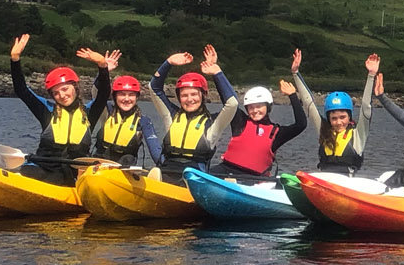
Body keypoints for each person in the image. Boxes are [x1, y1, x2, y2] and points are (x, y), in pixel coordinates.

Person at [8, 33, 109, 182]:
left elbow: (104, 93)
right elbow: (22, 90)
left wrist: (102, 65)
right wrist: (15, 59)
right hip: (44, 168)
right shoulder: (47, 110)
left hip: (74, 172)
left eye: (65, 89)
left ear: (75, 88)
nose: (62, 95)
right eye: (56, 93)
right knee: (29, 171)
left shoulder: (89, 113)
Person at [149, 45, 237, 182]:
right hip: (168, 170)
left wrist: (217, 73)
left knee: (189, 177)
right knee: (160, 173)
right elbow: (154, 88)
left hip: (195, 177)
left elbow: (232, 103)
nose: (189, 99)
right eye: (184, 95)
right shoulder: (171, 115)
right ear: (179, 98)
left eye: (194, 94)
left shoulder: (213, 122)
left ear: (203, 95)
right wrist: (168, 63)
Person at [210, 65, 311, 182]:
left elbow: (301, 124)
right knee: (200, 174)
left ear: (268, 107)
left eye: (259, 106)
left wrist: (293, 96)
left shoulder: (276, 133)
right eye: (251, 108)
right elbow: (229, 100)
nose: (255, 111)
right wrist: (217, 73)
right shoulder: (241, 122)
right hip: (227, 171)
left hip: (254, 178)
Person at [291, 50, 379, 173]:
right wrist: (295, 72)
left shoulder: (358, 135)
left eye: (342, 117)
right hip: (324, 181)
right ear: (329, 119)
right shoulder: (324, 132)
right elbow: (309, 104)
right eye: (334, 118)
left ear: (349, 117)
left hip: (346, 184)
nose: (338, 122)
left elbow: (366, 107)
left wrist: (371, 75)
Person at [88, 51, 164, 168]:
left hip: (125, 171)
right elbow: (97, 93)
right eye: (122, 94)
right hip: (100, 166)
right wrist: (104, 71)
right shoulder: (106, 111)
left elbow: (154, 148)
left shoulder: (143, 122)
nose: (126, 99)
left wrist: (164, 167)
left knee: (127, 159)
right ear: (115, 96)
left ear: (137, 97)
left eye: (131, 95)